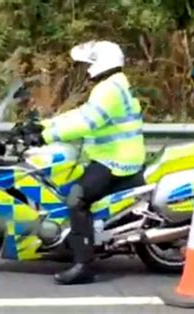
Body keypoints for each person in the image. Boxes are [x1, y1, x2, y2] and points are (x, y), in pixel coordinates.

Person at [27, 40, 146, 284]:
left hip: (116, 162)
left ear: (99, 64)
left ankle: (83, 265)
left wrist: (45, 136)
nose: (84, 69)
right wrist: (44, 125)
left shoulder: (109, 90)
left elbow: (86, 124)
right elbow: (81, 114)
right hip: (115, 158)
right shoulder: (113, 85)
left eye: (87, 64)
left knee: (76, 198)